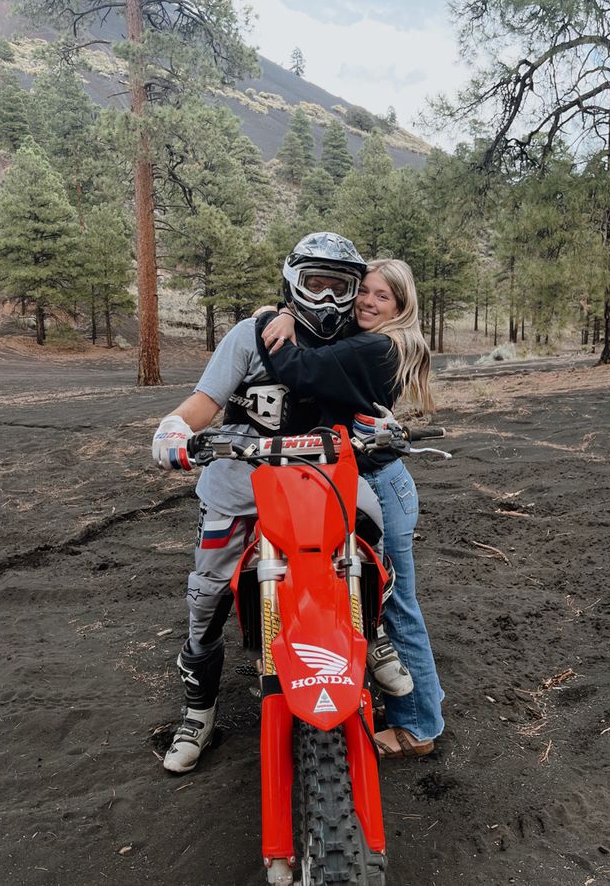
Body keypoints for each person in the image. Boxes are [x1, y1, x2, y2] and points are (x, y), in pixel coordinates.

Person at [151, 233, 411, 774]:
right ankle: (198, 710)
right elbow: (207, 400)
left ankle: (375, 632)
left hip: (321, 483)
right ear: (295, 279)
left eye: (340, 285)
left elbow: (370, 400)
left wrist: (382, 425)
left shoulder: (353, 339)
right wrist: (175, 427)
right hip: (238, 485)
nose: (329, 296)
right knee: (205, 598)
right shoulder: (250, 333)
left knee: (369, 532)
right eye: (316, 282)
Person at [260, 258, 445, 757]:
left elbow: (303, 370)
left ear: (401, 306)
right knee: (377, 597)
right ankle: (414, 704)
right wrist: (285, 310)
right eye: (363, 290)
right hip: (370, 483)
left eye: (382, 296)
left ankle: (419, 727)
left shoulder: (377, 346)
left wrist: (268, 321)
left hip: (380, 485)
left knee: (395, 604)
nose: (366, 301)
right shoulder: (380, 341)